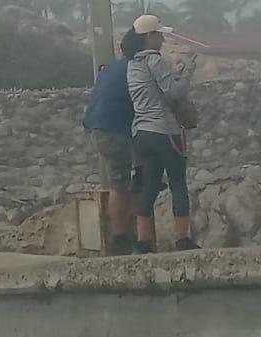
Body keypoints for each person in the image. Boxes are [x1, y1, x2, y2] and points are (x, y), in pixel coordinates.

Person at [126, 13, 197, 253]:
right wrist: (187, 72)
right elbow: (174, 92)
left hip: (142, 132)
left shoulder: (132, 64)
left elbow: (153, 89)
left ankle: (143, 241)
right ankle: (182, 239)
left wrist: (173, 74)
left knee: (149, 185)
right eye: (159, 35)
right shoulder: (155, 60)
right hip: (165, 131)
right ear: (150, 36)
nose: (163, 40)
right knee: (177, 182)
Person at [82, 27, 142, 255]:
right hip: (113, 129)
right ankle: (119, 237)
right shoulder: (136, 70)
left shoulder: (113, 69)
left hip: (100, 126)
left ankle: (130, 233)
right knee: (121, 183)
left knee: (129, 180)